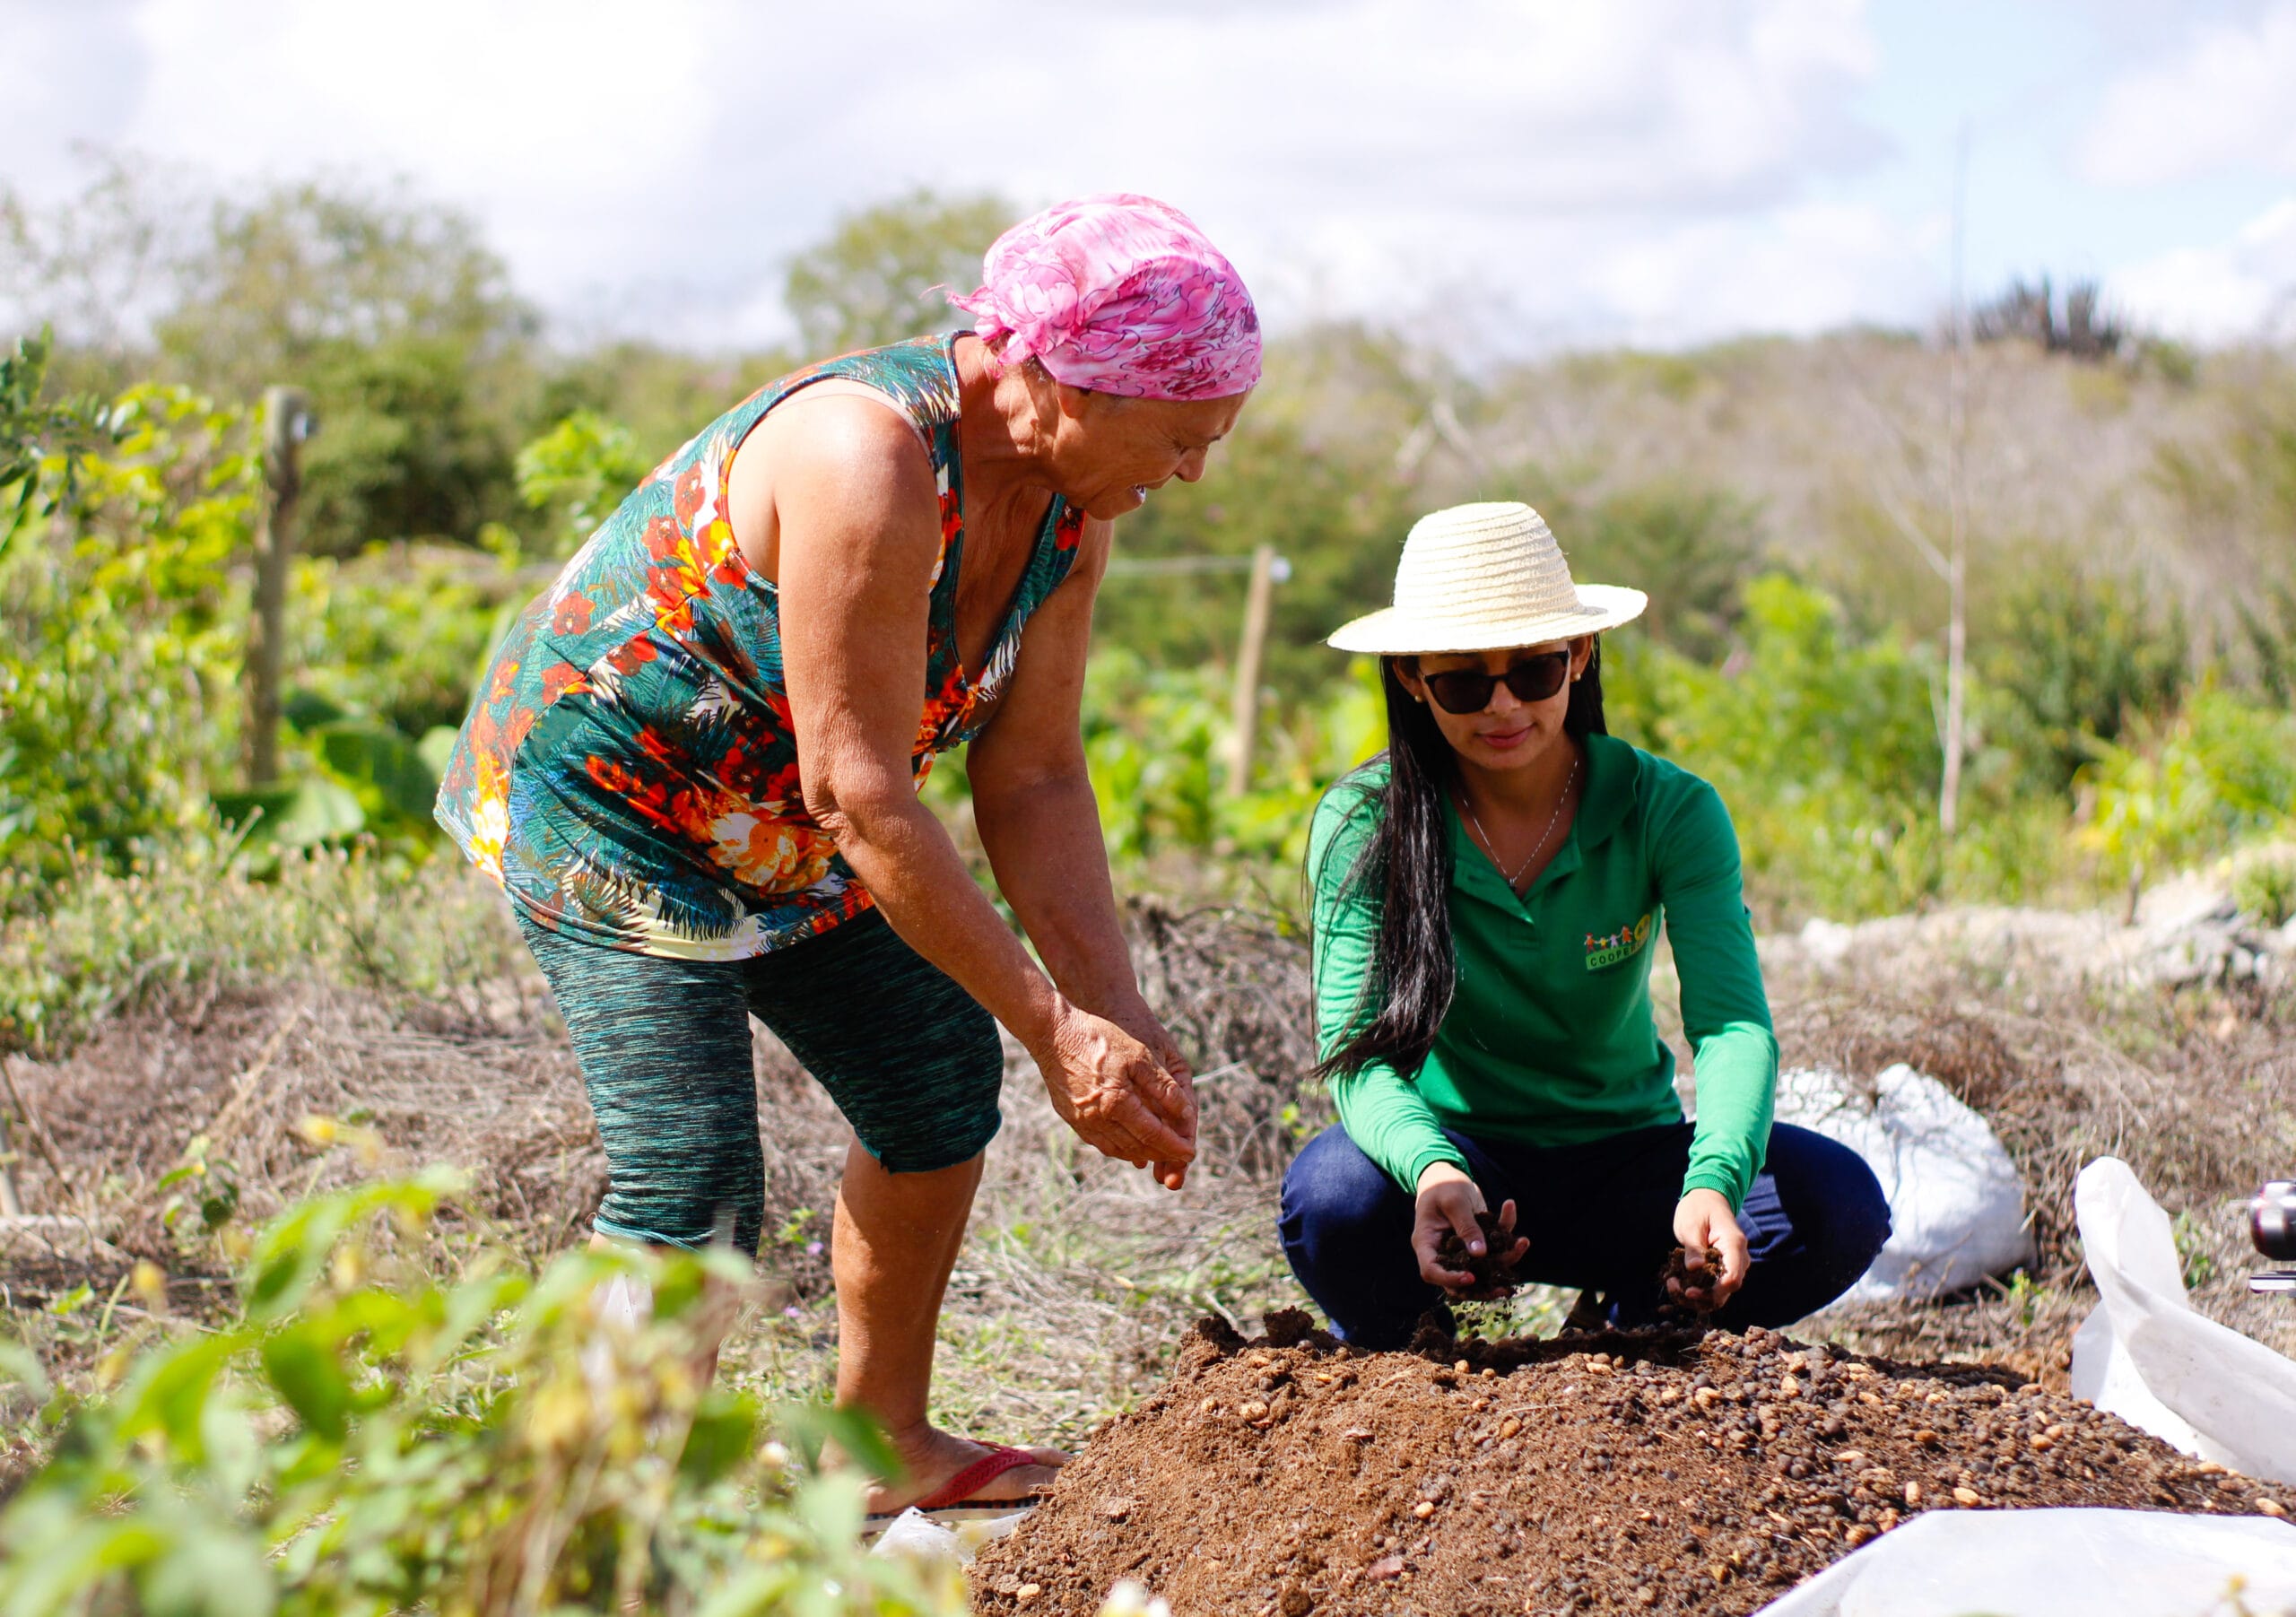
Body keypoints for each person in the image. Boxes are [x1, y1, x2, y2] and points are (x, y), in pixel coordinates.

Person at [433, 195, 1259, 1512]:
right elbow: (862, 798)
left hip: (781, 818)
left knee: (934, 1079)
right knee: (690, 1176)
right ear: (1068, 382)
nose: (1195, 472)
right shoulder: (864, 456)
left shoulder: (1070, 507)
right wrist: (1054, 1031)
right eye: (1180, 436)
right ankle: (586, 1525)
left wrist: (1113, 1010)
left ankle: (880, 1450)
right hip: (617, 801)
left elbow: (1035, 775)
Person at [1279, 502, 1890, 1349]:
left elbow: (1731, 1024)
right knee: (1333, 1199)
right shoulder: (1364, 822)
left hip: (1631, 1164)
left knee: (1836, 1205)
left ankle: (1642, 1321)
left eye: (1533, 671)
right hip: (1461, 1167)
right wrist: (1430, 1165)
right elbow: (1358, 1053)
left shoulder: (1669, 808)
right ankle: (1424, 1361)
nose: (1503, 706)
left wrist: (1713, 1179)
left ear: (1579, 655)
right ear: (1412, 678)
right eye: (1464, 682)